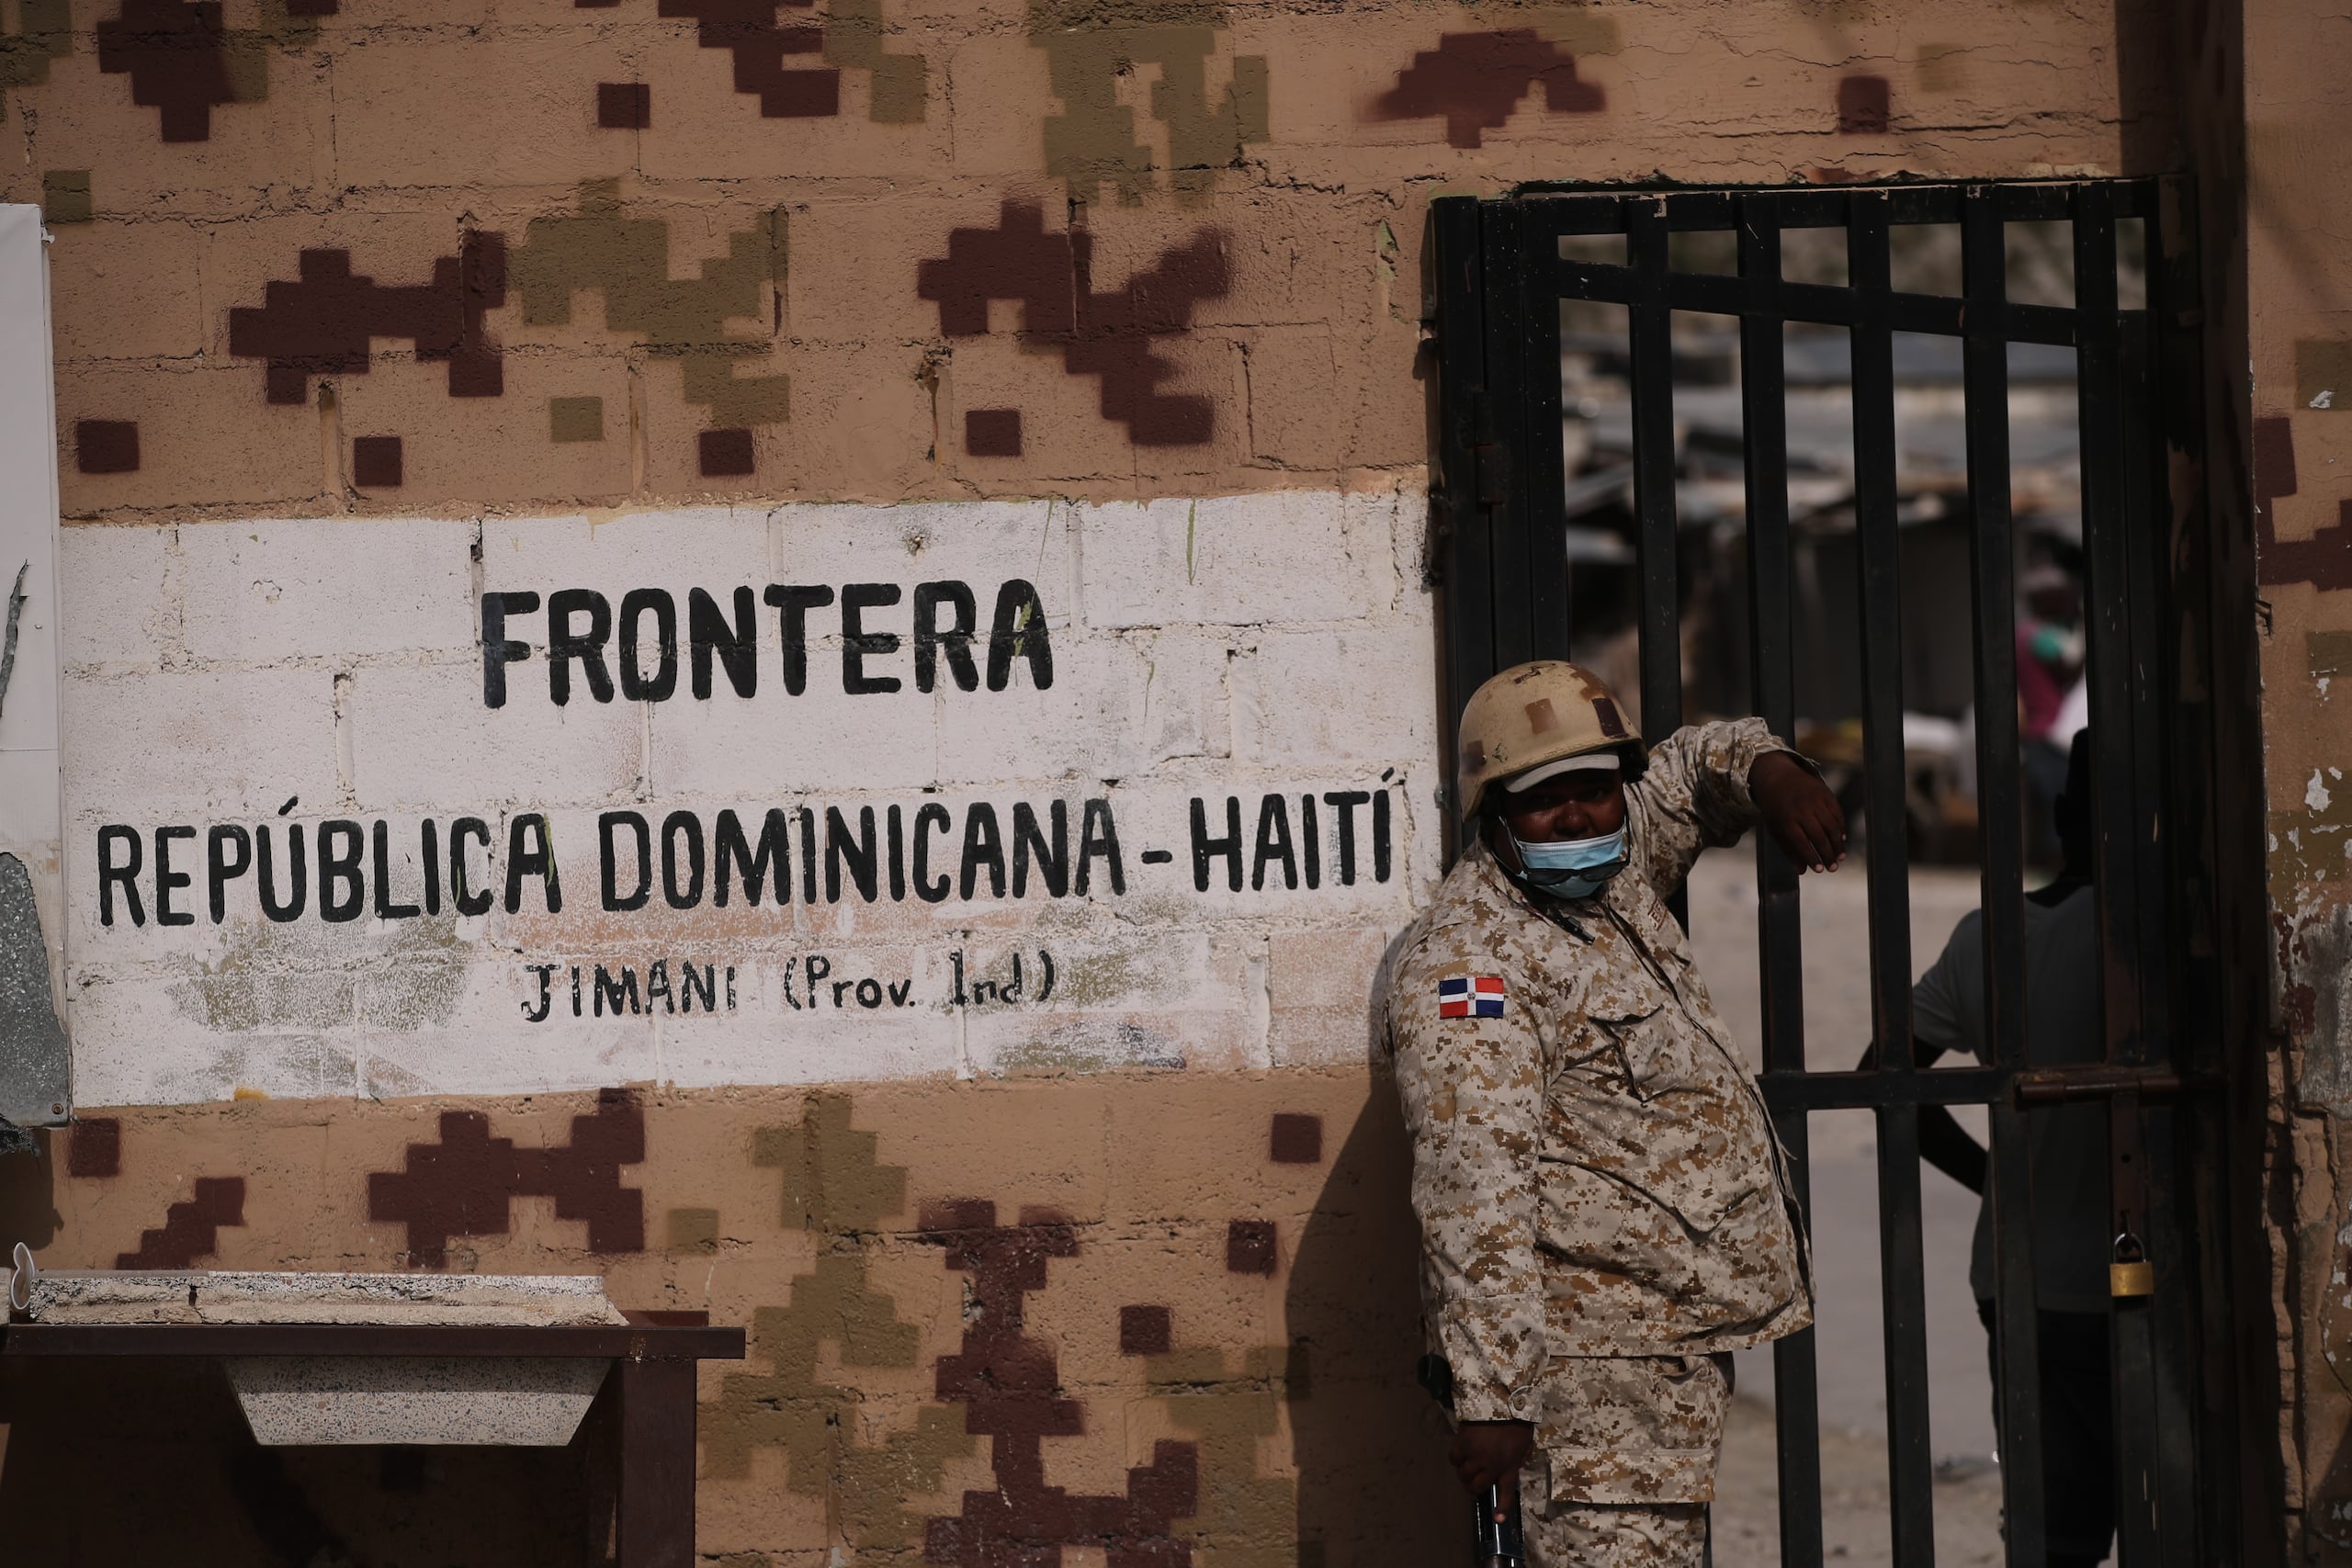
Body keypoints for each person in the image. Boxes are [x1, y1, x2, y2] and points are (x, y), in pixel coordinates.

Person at [1386, 660, 1847, 1567]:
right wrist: (1495, 1399)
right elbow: (1472, 1197)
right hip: (1584, 1387)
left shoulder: (1614, 868)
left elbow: (1691, 767)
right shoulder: (1474, 968)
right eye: (1542, 801)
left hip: (1658, 1361)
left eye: (1594, 791)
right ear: (1492, 812)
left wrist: (1770, 771)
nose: (1577, 818)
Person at [1887, 728, 2115, 1568]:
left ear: (2062, 814)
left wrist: (1996, 1178)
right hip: (2146, 1282)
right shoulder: (2163, 936)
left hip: (2023, 1281)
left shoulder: (1990, 938)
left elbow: (1889, 1081)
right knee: (2182, 1512)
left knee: (2054, 1534)